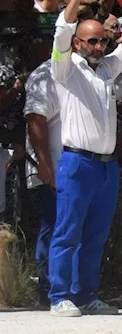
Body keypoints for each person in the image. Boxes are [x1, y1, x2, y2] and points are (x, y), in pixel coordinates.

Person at [47, 0, 122, 316]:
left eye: (101, 41)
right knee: (68, 233)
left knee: (95, 234)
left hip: (107, 165)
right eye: (91, 41)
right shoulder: (64, 68)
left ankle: (86, 294)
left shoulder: (107, 66)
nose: (98, 46)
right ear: (78, 45)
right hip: (78, 164)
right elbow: (61, 32)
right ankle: (58, 296)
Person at [24, 59, 58, 301]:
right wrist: (45, 164)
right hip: (50, 166)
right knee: (52, 223)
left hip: (74, 165)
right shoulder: (44, 74)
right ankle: (47, 284)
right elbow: (35, 121)